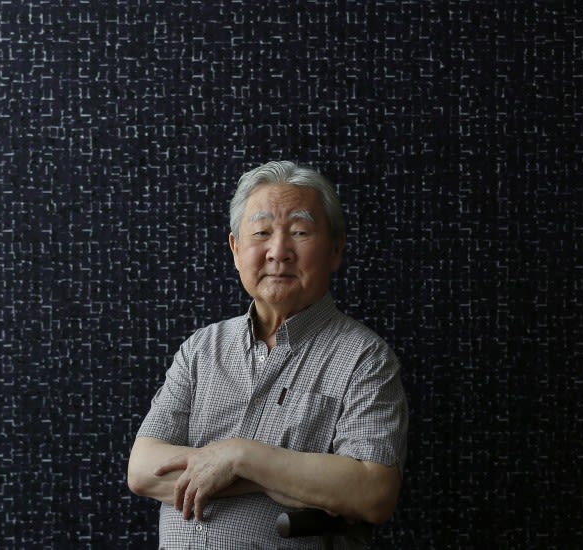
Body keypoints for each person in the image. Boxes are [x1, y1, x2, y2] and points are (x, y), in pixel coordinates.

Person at [128, 161, 408, 549]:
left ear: (336, 250)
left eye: (299, 232)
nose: (279, 251)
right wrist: (289, 481)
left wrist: (240, 457)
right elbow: (142, 470)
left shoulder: (366, 359)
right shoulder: (201, 348)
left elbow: (373, 492)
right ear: (235, 249)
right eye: (261, 232)